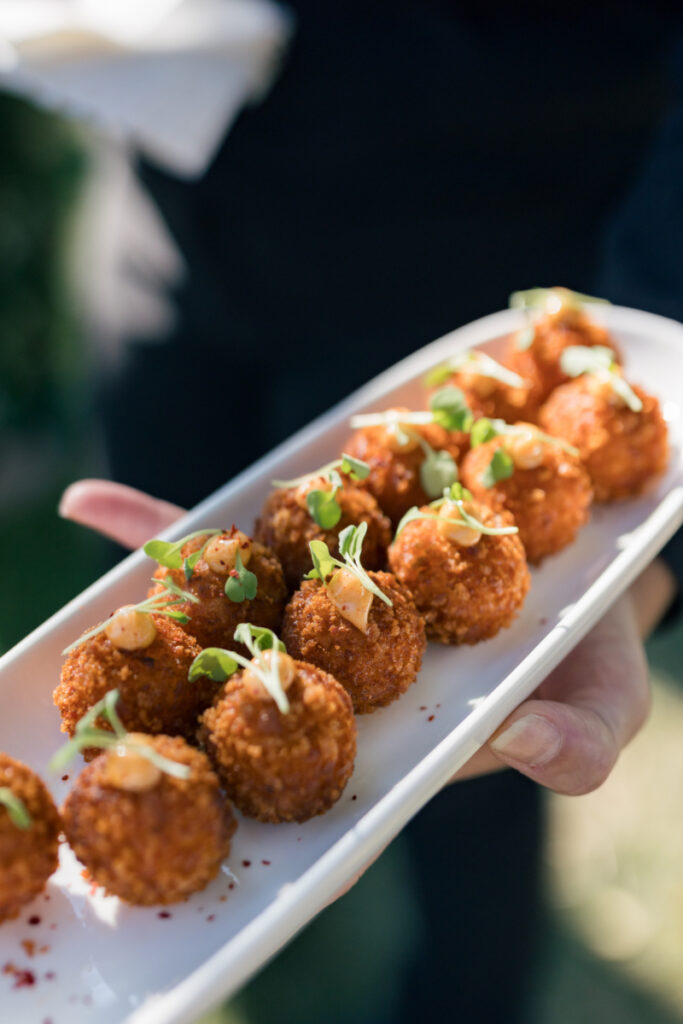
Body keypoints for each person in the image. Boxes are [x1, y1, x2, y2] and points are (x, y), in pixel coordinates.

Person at [58, 4, 683, 1020]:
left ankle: (468, 994)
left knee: (471, 781)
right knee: (158, 596)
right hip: (170, 197)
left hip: (474, 225)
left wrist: (661, 340)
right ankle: (223, 954)